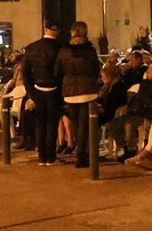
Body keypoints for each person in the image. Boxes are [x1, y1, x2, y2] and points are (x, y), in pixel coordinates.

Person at [58, 21, 101, 168]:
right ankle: (82, 154)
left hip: (69, 92)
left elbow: (57, 70)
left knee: (76, 123)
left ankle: (80, 151)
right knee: (84, 124)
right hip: (87, 90)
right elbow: (96, 69)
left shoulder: (64, 51)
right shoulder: (90, 51)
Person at [21, 21, 64, 165]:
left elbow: (25, 72)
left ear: (45, 29)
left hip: (38, 90)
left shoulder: (32, 48)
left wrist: (31, 91)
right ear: (57, 32)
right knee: (52, 125)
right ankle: (50, 157)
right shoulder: (60, 48)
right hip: (54, 91)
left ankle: (42, 157)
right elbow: (61, 72)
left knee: (40, 124)